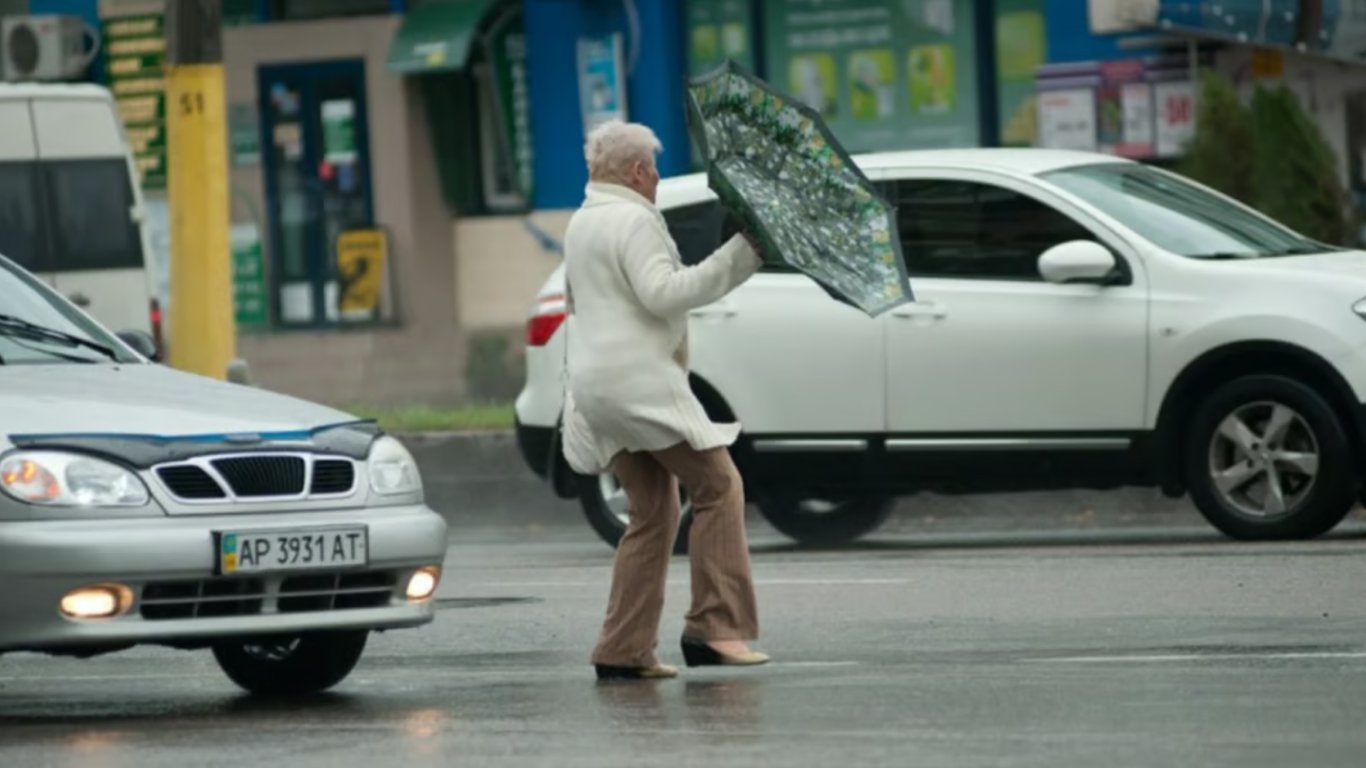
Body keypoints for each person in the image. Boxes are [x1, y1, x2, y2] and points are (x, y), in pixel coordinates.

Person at [560, 119, 770, 681]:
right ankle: (715, 629)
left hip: (596, 388)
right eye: (652, 169)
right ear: (636, 171)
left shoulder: (582, 221)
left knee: (652, 512)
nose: (656, 178)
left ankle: (623, 648)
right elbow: (664, 293)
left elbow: (578, 302)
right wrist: (742, 255)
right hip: (639, 387)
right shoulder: (633, 218)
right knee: (720, 486)